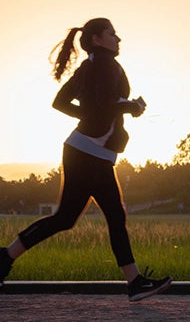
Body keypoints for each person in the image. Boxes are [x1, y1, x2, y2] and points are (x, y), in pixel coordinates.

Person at [0, 17, 172, 302]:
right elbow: (104, 104)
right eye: (112, 33)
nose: (118, 38)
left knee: (68, 218)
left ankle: (5, 258)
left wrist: (91, 117)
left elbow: (62, 102)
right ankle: (135, 283)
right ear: (96, 39)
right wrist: (133, 106)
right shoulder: (105, 64)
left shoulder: (89, 65)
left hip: (88, 151)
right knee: (104, 217)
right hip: (89, 153)